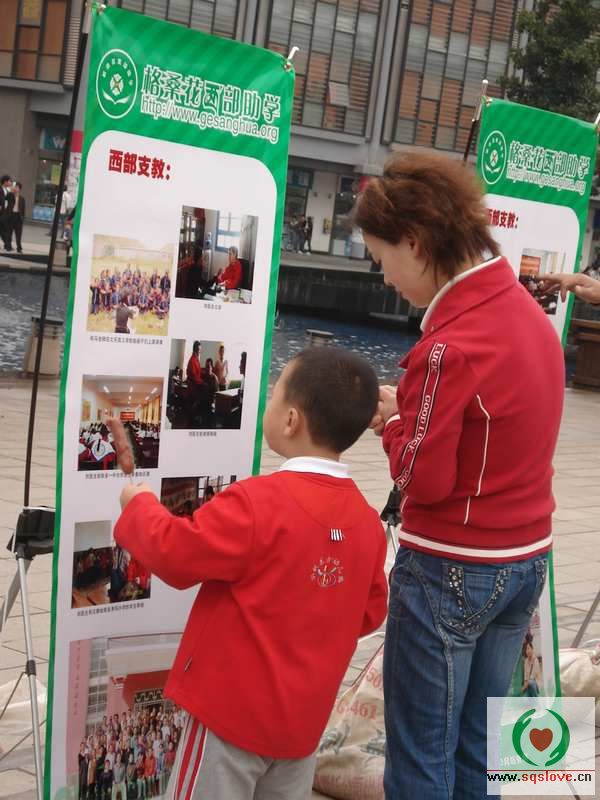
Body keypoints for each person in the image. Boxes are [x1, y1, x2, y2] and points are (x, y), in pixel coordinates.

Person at [354, 152, 564, 800]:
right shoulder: (527, 315)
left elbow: (423, 479)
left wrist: (394, 424)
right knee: (481, 751)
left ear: (415, 243)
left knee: (422, 759)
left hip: (452, 568)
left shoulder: (447, 346)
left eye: (382, 259)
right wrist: (411, 413)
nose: (385, 277)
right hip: (524, 559)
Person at [113, 347, 388, 799]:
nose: (268, 405)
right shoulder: (366, 522)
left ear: (291, 420)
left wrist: (139, 505)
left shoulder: (257, 503)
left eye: (274, 396)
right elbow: (371, 611)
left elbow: (176, 554)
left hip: (228, 715)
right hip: (301, 725)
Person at [8, 181, 25, 253]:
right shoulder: (10, 196)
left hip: (18, 217)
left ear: (20, 189)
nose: (15, 188)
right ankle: (8, 246)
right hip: (11, 216)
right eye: (15, 187)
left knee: (18, 234)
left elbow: (23, 209)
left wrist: (22, 218)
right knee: (9, 232)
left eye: (17, 187)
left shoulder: (22, 198)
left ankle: (19, 248)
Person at [0, 174, 13, 251]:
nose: (10, 182)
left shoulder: (8, 191)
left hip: (5, 214)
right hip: (1, 213)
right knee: (3, 230)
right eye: (9, 181)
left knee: (5, 230)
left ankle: (7, 245)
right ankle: (7, 245)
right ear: (5, 182)